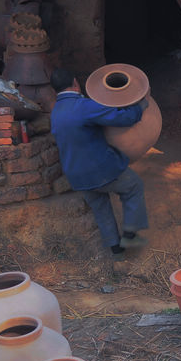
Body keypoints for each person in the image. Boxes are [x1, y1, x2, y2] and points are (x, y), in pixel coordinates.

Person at [49, 68, 148, 262]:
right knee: (134, 185)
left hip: (76, 176)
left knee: (100, 208)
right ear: (75, 82)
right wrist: (141, 105)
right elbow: (124, 118)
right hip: (98, 169)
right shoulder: (82, 106)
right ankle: (130, 236)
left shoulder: (56, 111)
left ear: (55, 90)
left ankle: (117, 253)